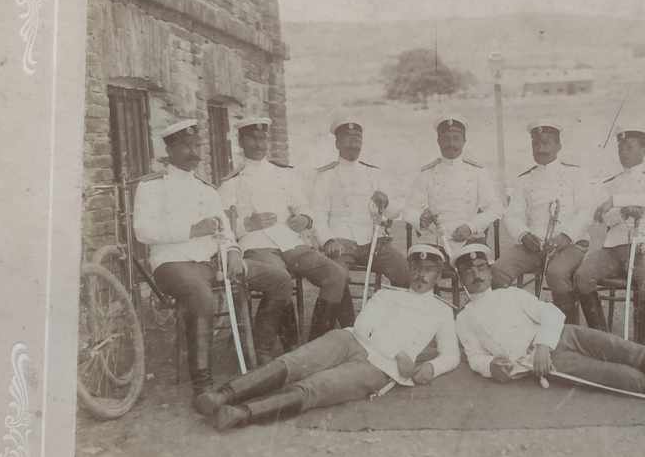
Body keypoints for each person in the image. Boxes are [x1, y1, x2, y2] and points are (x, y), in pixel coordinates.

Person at [193, 245, 460, 430]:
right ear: (409, 268)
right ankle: (223, 395)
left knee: (317, 386)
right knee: (294, 362)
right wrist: (399, 352)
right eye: (416, 267)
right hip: (349, 340)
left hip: (379, 368)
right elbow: (363, 324)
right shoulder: (388, 293)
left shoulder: (442, 310)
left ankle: (241, 414)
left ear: (438, 275)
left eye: (429, 270)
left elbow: (451, 354)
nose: (421, 275)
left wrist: (431, 368)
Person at [455, 244, 645, 406]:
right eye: (469, 272)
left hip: (562, 336)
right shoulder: (464, 319)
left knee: (628, 351)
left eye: (481, 268)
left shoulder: (511, 294)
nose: (476, 275)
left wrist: (542, 345)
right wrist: (491, 368)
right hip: (542, 363)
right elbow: (475, 357)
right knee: (620, 377)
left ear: (490, 271)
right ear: (461, 279)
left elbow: (551, 313)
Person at [132, 119, 248, 398]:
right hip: (171, 264)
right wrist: (192, 230)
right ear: (170, 149)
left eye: (197, 145)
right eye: (186, 146)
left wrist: (232, 250)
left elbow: (225, 230)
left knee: (268, 277)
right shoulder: (151, 187)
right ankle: (202, 383)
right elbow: (142, 232)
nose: (194, 152)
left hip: (206, 263)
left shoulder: (206, 189)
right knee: (201, 295)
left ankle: (258, 362)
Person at [218, 117, 347, 346]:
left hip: (289, 240)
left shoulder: (284, 174)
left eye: (262, 138)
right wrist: (247, 225)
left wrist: (304, 219)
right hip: (256, 244)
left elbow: (304, 206)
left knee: (336, 275)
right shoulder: (231, 183)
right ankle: (284, 345)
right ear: (241, 142)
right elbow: (224, 227)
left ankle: (316, 342)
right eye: (252, 139)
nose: (258, 145)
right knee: (281, 280)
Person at [491, 120, 593, 324]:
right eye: (536, 144)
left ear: (558, 146)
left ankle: (568, 330)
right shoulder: (524, 180)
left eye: (546, 143)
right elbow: (512, 215)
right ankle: (512, 324)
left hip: (569, 245)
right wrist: (524, 235)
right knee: (498, 271)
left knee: (556, 273)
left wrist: (566, 236)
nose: (541, 149)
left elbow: (586, 211)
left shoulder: (576, 174)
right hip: (533, 245)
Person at [312, 117, 410, 327]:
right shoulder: (325, 176)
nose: (353, 143)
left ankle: (393, 326)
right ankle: (327, 332)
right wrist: (327, 240)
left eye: (357, 138)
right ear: (337, 143)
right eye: (348, 138)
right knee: (336, 277)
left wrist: (386, 202)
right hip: (341, 242)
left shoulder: (374, 173)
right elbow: (318, 215)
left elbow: (393, 212)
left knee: (405, 273)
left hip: (374, 241)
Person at [575, 128, 645, 341]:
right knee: (582, 277)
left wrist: (616, 202)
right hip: (613, 249)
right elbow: (604, 218)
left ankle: (640, 345)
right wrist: (623, 211)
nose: (623, 152)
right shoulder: (610, 183)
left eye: (630, 147)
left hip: (644, 247)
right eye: (621, 148)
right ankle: (604, 339)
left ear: (644, 150)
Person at [402, 115, 503, 260]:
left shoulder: (478, 172)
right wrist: (420, 220)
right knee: (423, 272)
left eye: (456, 138)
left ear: (464, 141)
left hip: (469, 240)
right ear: (438, 141)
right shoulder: (427, 173)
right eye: (446, 139)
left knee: (476, 274)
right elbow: (408, 210)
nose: (451, 144)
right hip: (434, 240)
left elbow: (495, 208)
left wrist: (471, 227)